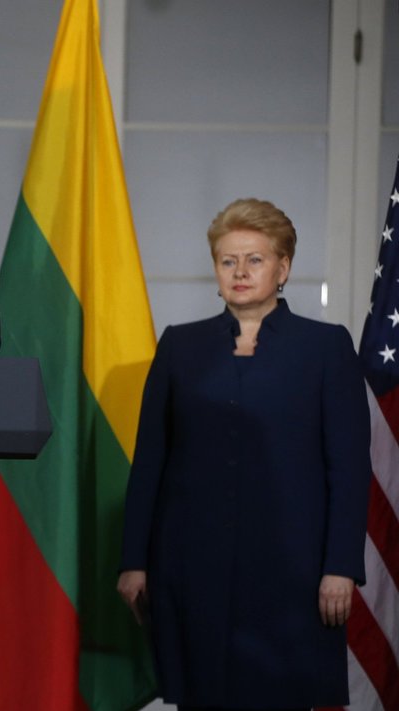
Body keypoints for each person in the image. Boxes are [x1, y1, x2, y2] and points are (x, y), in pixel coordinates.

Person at [117, 198, 371, 710]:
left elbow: (348, 467)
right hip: (192, 566)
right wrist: (134, 561)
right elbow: (150, 463)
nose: (239, 271)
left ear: (283, 268)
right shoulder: (180, 347)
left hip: (294, 571)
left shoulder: (325, 347)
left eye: (254, 259)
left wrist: (341, 566)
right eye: (227, 260)